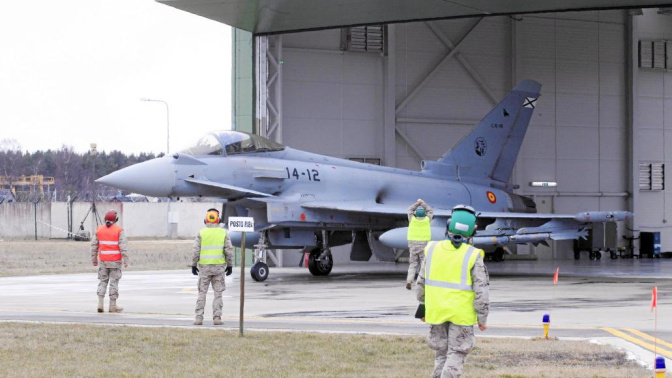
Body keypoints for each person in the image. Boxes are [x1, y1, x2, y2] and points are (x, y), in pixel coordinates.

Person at [416, 205, 489, 378]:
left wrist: (423, 306)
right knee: (457, 352)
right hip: (461, 315)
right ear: (473, 231)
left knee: (441, 353)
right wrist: (482, 317)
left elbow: (421, 282)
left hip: (436, 311)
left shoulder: (432, 249)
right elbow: (481, 290)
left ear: (448, 226)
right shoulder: (473, 255)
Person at [191, 208, 234, 325]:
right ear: (218, 220)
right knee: (218, 294)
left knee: (202, 293)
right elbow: (229, 251)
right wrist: (230, 265)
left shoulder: (201, 233)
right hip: (219, 268)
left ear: (205, 220)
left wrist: (193, 265)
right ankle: (217, 318)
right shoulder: (223, 233)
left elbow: (196, 251)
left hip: (204, 268)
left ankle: (199, 318)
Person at [91, 209, 128, 313]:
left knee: (102, 282)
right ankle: (112, 306)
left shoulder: (99, 230)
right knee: (113, 283)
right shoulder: (119, 230)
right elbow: (123, 246)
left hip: (103, 262)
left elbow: (93, 246)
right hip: (115, 263)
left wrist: (94, 259)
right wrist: (126, 259)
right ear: (115, 219)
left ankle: (100, 304)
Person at [407, 199, 434, 290]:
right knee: (424, 264)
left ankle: (409, 281)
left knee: (413, 264)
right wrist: (423, 203)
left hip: (413, 245)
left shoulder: (412, 220)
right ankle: (422, 282)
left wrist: (417, 204)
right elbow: (430, 211)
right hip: (424, 245)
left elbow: (409, 210)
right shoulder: (427, 220)